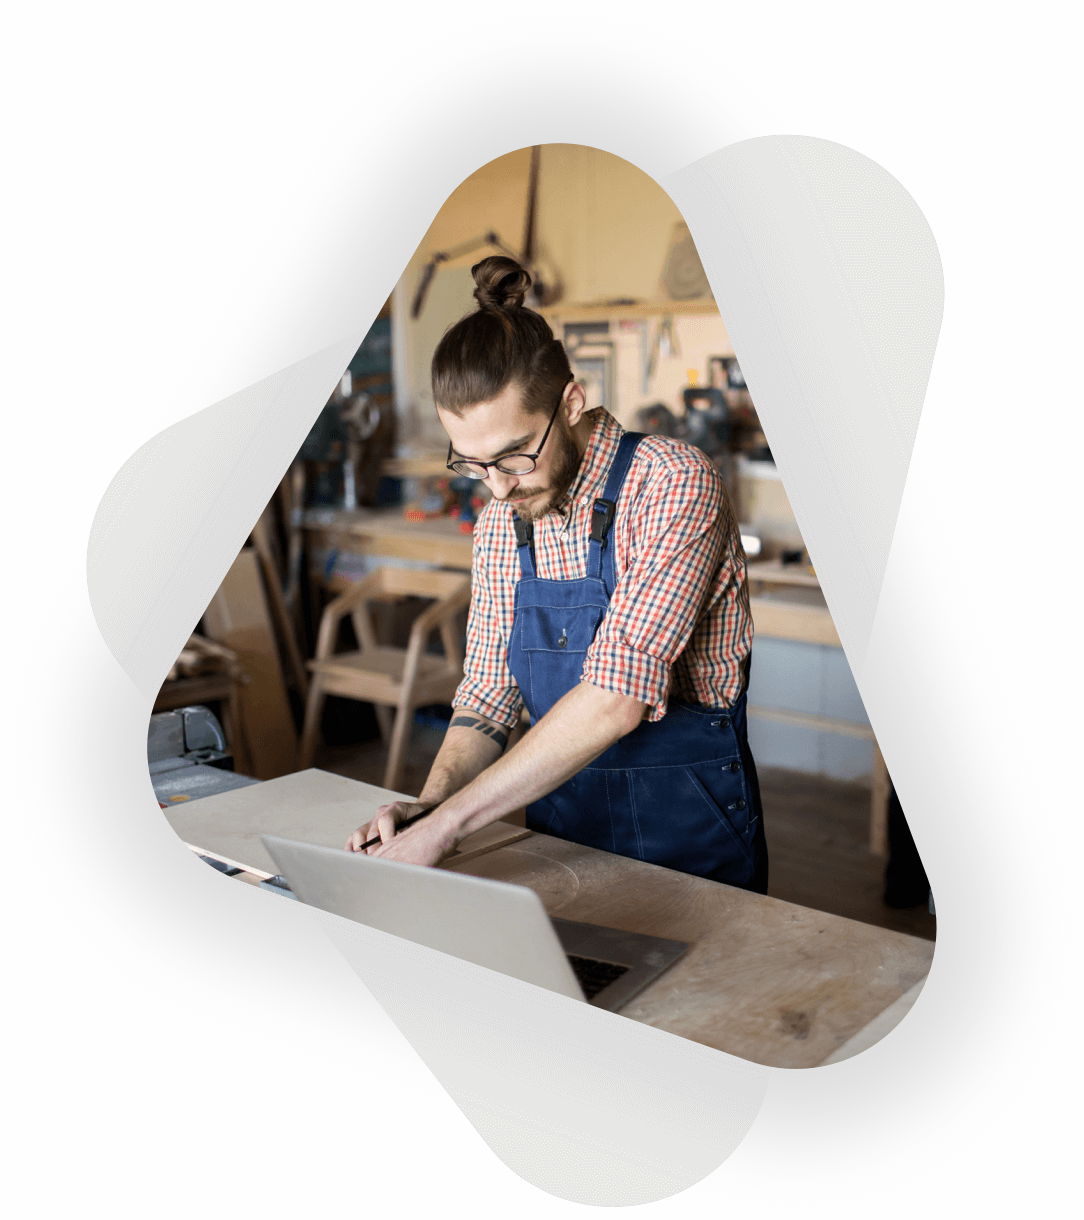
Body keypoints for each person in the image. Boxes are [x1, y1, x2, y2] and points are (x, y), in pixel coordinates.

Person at [345, 256, 768, 892]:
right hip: (562, 846)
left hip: (691, 847)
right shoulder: (499, 524)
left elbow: (615, 697)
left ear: (570, 402)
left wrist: (451, 826)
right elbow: (489, 699)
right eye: (473, 464)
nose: (497, 487)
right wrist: (428, 808)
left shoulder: (673, 483)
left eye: (514, 456)